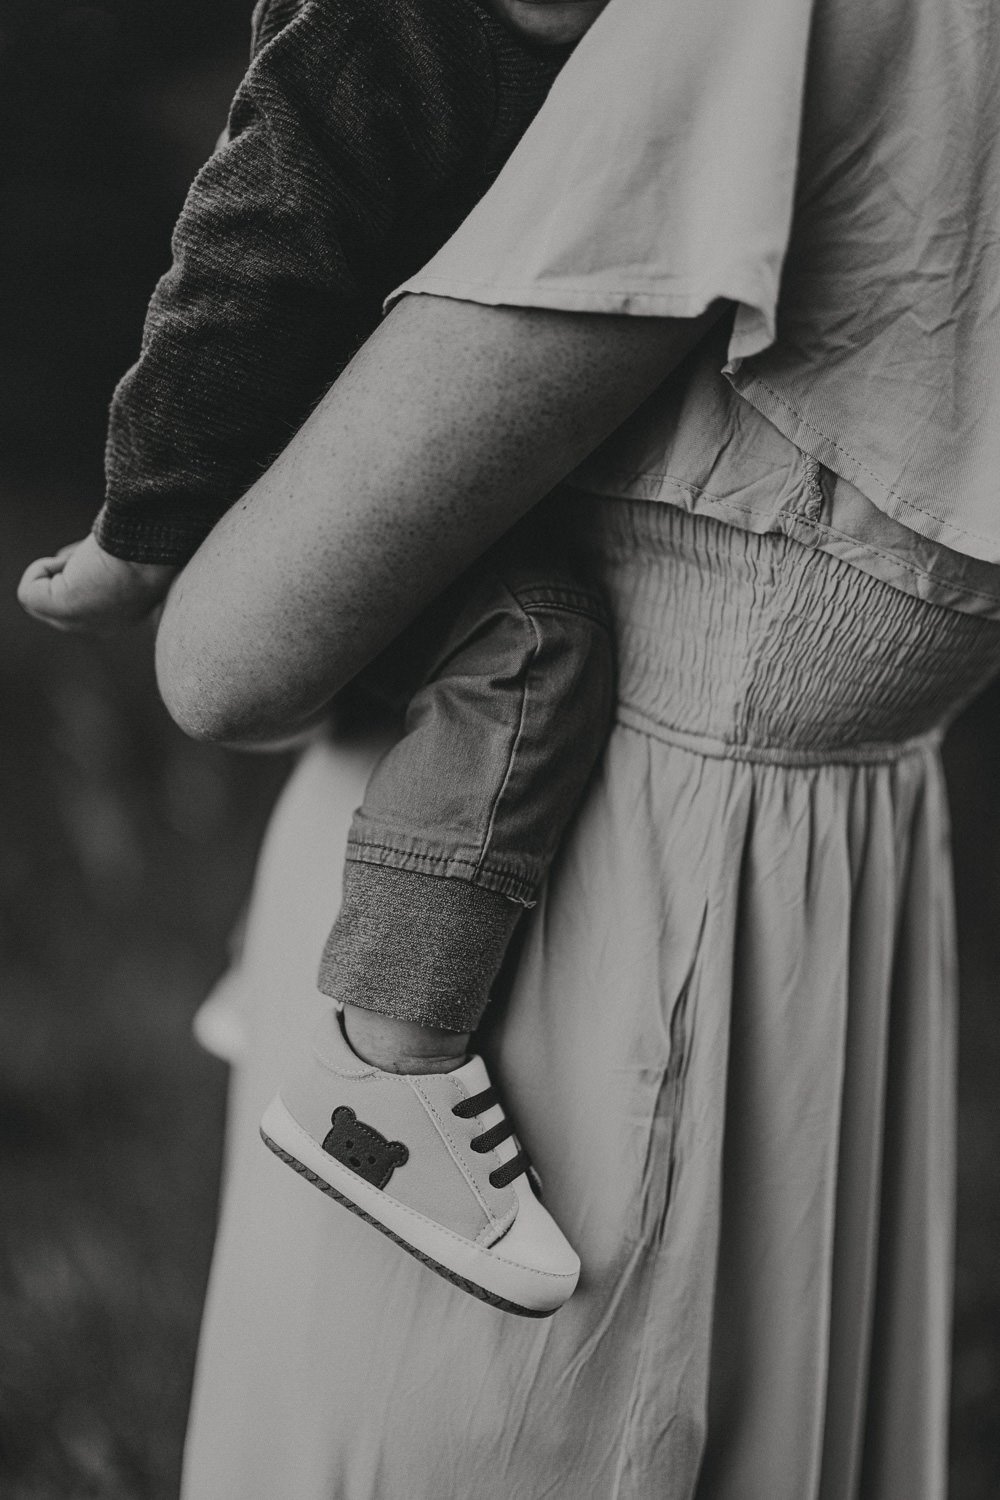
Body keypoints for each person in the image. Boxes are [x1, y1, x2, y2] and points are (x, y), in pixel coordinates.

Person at [88, 0, 1000, 1492]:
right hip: (769, 919)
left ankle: (373, 1051)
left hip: (613, 955)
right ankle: (362, 1031)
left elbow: (226, 657)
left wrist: (172, 542)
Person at [16, 0, 635, 1314]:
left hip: (430, 465)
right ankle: (381, 1069)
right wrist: (148, 520)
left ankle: (281, 950)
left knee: (393, 709)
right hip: (323, 477)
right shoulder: (382, 24)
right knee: (532, 640)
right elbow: (246, 251)